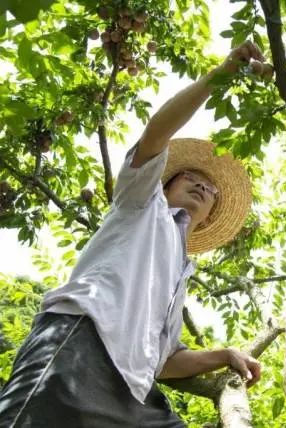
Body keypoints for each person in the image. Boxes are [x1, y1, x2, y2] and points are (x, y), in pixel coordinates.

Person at [0, 40, 266, 427]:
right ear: (164, 185)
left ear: (208, 218)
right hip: (82, 345)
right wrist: (222, 74)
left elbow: (165, 360)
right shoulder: (142, 204)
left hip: (134, 389)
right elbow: (156, 133)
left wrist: (224, 354)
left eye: (211, 190)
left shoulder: (180, 270)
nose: (201, 186)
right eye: (189, 177)